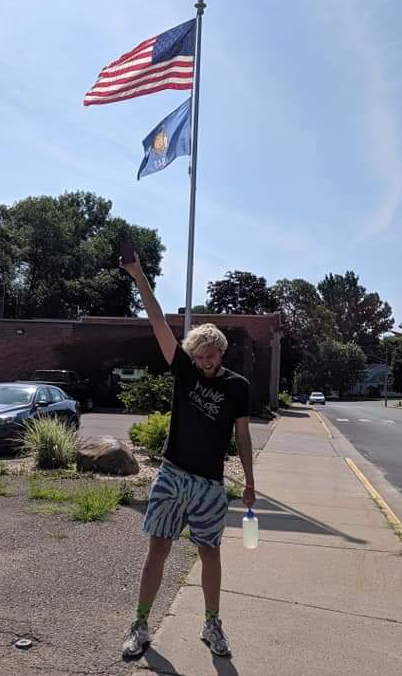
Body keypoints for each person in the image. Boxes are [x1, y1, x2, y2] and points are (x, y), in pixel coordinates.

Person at [120, 253, 256, 660]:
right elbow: (158, 320)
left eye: (209, 355)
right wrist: (138, 275)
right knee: (157, 548)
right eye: (198, 356)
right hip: (172, 475)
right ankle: (140, 624)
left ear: (220, 352)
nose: (204, 361)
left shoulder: (238, 387)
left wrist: (249, 481)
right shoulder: (184, 370)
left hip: (209, 484)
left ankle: (212, 623)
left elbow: (244, 436)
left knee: (209, 551)